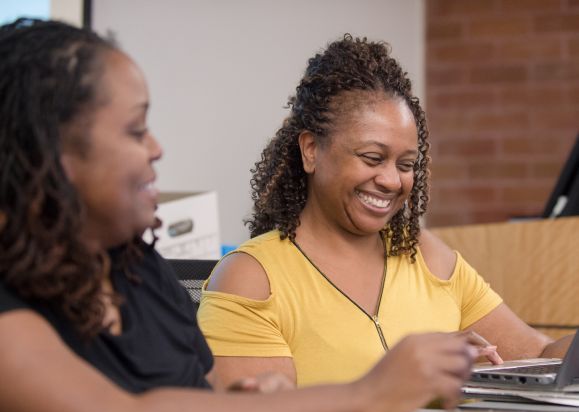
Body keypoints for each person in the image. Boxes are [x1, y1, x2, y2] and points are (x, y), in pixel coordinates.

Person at [0, 19, 487, 412]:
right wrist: (371, 395)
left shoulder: (137, 269)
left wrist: (254, 405)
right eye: (135, 129)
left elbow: (198, 409)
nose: (156, 148)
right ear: (51, 150)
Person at [197, 35, 573, 388]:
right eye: (372, 158)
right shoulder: (252, 278)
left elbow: (540, 356)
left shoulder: (423, 254)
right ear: (311, 150)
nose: (393, 181)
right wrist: (402, 379)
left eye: (406, 164)